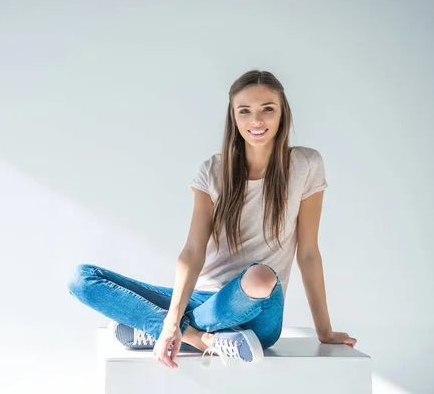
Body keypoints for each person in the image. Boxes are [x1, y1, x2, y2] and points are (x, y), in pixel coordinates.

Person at [67, 69, 357, 369]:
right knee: (82, 278)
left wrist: (324, 330)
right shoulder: (212, 172)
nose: (256, 120)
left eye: (267, 109)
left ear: (282, 113)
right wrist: (172, 318)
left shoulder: (306, 165)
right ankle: (195, 337)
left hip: (259, 310)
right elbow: (192, 251)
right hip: (203, 299)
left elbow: (308, 252)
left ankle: (154, 328)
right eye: (244, 111)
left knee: (261, 277)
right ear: (234, 118)